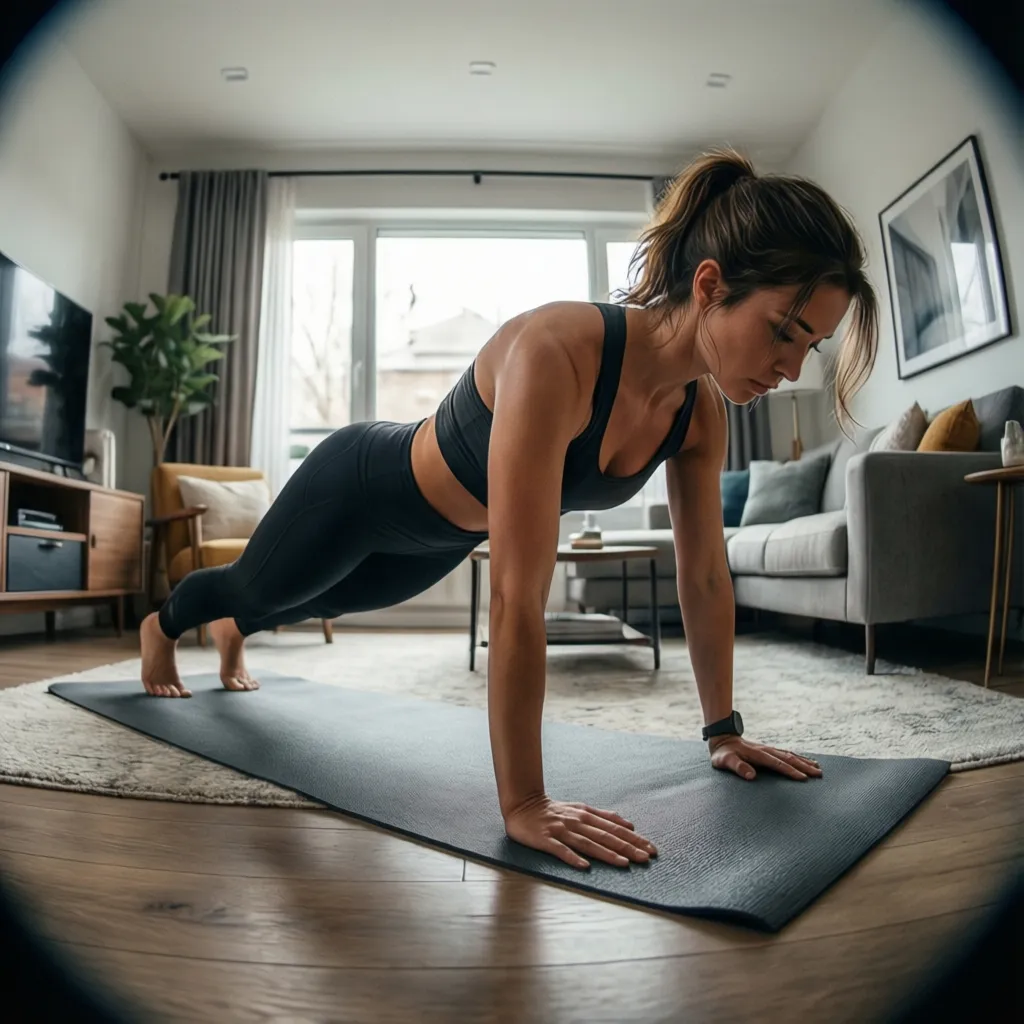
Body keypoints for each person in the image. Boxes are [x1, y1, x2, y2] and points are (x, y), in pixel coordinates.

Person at [139, 146, 879, 872]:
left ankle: (241, 631)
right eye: (784, 330)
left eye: (810, 346)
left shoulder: (699, 416)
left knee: (300, 601)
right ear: (712, 285)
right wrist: (524, 801)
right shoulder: (559, 349)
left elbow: (708, 579)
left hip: (436, 540)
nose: (789, 368)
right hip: (358, 487)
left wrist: (722, 731)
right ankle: (164, 626)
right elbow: (517, 595)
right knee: (254, 586)